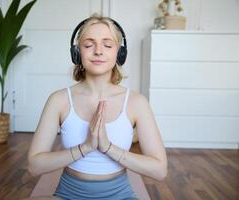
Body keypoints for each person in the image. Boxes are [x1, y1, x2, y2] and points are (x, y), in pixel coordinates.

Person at [27, 13, 167, 200]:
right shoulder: (58, 100)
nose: (98, 51)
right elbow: (35, 166)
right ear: (77, 53)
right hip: (69, 195)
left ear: (119, 53)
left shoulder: (136, 102)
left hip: (120, 195)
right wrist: (85, 147)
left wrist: (108, 147)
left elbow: (159, 170)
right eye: (88, 45)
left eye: (107, 45)